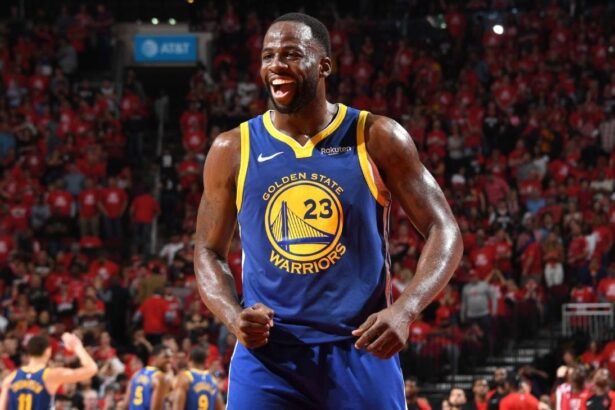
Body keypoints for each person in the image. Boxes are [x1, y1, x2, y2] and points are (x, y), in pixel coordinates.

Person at [194, 12, 462, 409]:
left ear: (324, 66)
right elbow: (207, 249)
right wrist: (234, 317)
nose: (275, 65)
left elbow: (445, 229)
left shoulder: (376, 136)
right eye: (268, 56)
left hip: (360, 345)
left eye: (290, 54)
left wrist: (406, 309)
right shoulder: (232, 148)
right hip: (269, 354)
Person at [0, 333, 98, 410]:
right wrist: (77, 346)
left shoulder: (10, 378)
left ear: (29, 352)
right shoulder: (50, 375)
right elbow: (92, 369)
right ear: (48, 351)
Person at [121, 345, 172, 410]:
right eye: (166, 357)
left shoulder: (136, 374)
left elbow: (125, 405)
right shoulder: (160, 377)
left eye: (171, 357)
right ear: (154, 358)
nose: (170, 360)